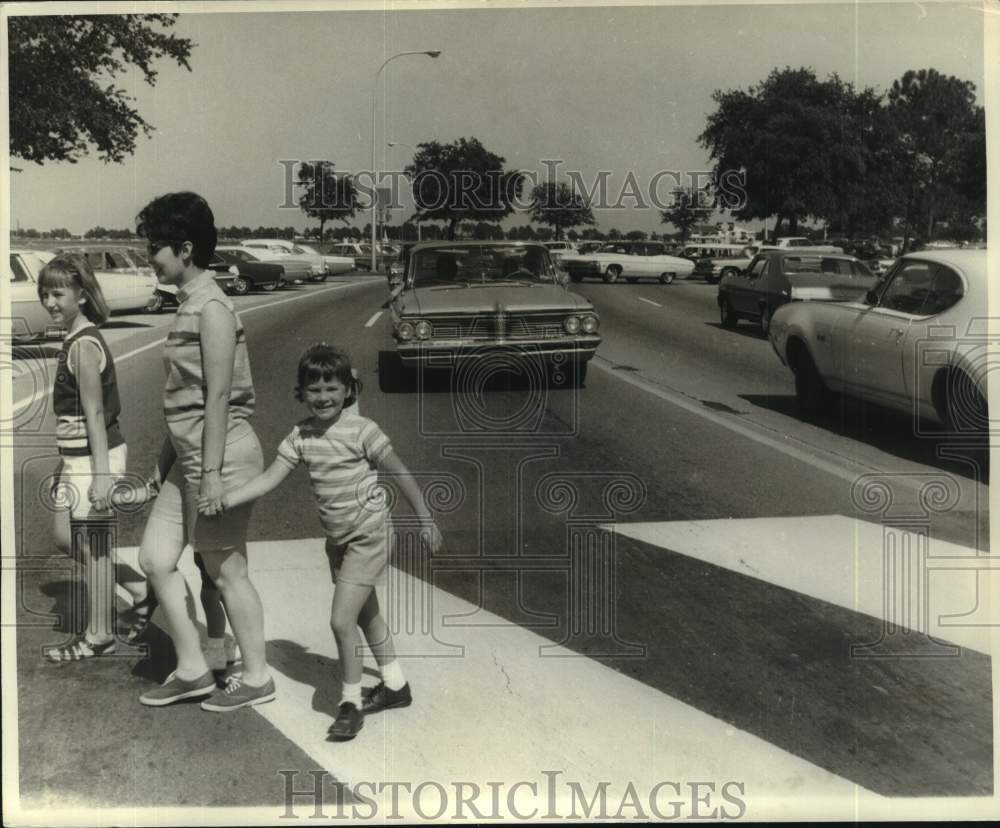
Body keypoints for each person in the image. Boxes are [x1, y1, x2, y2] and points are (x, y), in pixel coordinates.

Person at [200, 344, 443, 740]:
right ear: (301, 392)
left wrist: (426, 519)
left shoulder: (363, 431)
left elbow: (400, 472)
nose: (324, 397)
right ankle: (396, 685)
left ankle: (349, 703)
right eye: (314, 390)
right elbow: (269, 479)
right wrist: (226, 498)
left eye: (333, 388)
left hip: (369, 534)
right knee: (366, 615)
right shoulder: (301, 434)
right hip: (338, 540)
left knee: (340, 620)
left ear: (349, 390)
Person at [135, 191, 273, 711]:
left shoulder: (212, 307)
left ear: (185, 249)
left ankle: (257, 677)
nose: (150, 257)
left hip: (223, 457)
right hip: (192, 458)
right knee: (155, 558)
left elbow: (216, 395)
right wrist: (161, 469)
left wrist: (211, 474)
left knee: (225, 569)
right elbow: (185, 403)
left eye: (156, 248)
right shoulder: (189, 305)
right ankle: (193, 668)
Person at [38, 254, 151, 660]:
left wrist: (102, 477)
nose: (50, 302)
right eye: (44, 293)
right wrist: (63, 463)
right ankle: (139, 588)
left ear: (81, 296)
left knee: (98, 547)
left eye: (58, 293)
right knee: (64, 537)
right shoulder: (73, 338)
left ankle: (99, 633)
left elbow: (96, 415)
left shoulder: (84, 345)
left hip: (95, 459)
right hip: (77, 459)